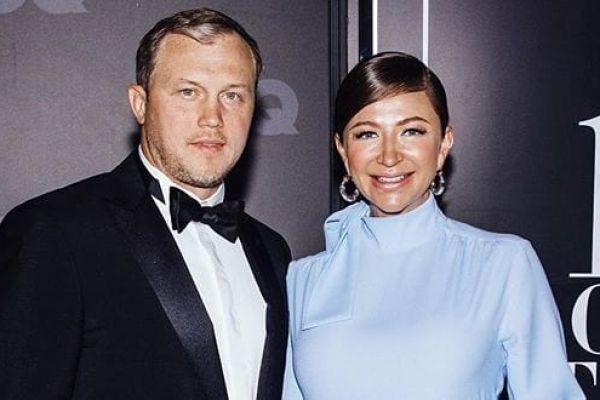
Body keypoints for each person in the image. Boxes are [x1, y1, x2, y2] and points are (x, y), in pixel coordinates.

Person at [0, 8, 290, 400]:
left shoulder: (273, 251)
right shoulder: (55, 232)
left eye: (232, 95)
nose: (212, 118)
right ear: (140, 103)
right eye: (188, 92)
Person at [282, 52, 584, 399]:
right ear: (342, 150)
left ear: (443, 144)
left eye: (411, 131)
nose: (389, 156)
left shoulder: (503, 264)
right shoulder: (304, 279)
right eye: (367, 134)